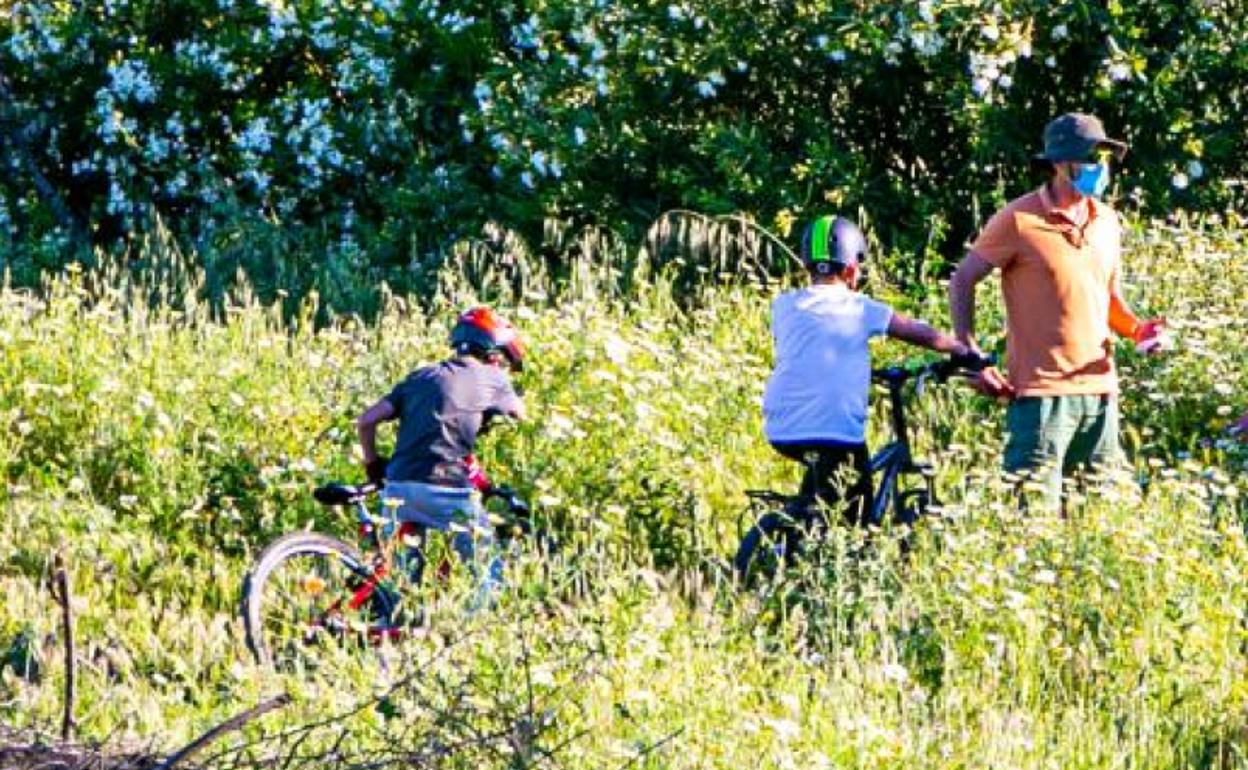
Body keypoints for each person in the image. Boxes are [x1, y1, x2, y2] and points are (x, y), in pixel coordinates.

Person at [948, 112, 1166, 508]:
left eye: (1103, 157)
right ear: (1059, 164)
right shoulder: (1018, 219)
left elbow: (1109, 301)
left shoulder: (1107, 222)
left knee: (1102, 522)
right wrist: (970, 355)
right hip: (1041, 398)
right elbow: (962, 279)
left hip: (1100, 394)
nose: (1100, 168)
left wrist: (1138, 331)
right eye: (1091, 158)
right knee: (1033, 524)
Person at [762, 215, 981, 526]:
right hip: (833, 432)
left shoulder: (784, 306)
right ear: (851, 270)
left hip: (782, 428)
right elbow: (917, 332)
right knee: (855, 518)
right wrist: (962, 350)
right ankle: (842, 554)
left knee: (825, 485)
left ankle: (800, 526)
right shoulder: (859, 307)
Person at [356, 306, 526, 592]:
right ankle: (473, 631)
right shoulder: (493, 378)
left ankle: (392, 627)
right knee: (488, 572)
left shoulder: (421, 376)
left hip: (397, 489)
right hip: (448, 491)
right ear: (494, 354)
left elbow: (366, 421)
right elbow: (520, 416)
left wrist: (373, 466)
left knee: (398, 587)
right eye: (503, 360)